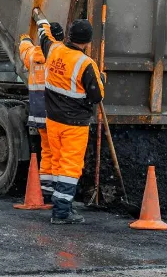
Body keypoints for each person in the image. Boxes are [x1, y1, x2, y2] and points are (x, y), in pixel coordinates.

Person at [38, 16, 105, 225]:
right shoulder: (86, 64)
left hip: (53, 119)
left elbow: (43, 38)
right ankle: (61, 212)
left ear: (69, 35)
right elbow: (97, 96)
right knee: (70, 167)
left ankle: (56, 201)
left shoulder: (54, 50)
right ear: (87, 42)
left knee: (58, 162)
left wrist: (43, 22)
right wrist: (101, 80)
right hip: (74, 125)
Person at [18, 22, 65, 201]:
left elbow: (24, 49)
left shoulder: (32, 55)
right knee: (58, 153)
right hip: (55, 114)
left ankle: (45, 187)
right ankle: (58, 190)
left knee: (46, 150)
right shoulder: (59, 55)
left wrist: (25, 38)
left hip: (38, 113)